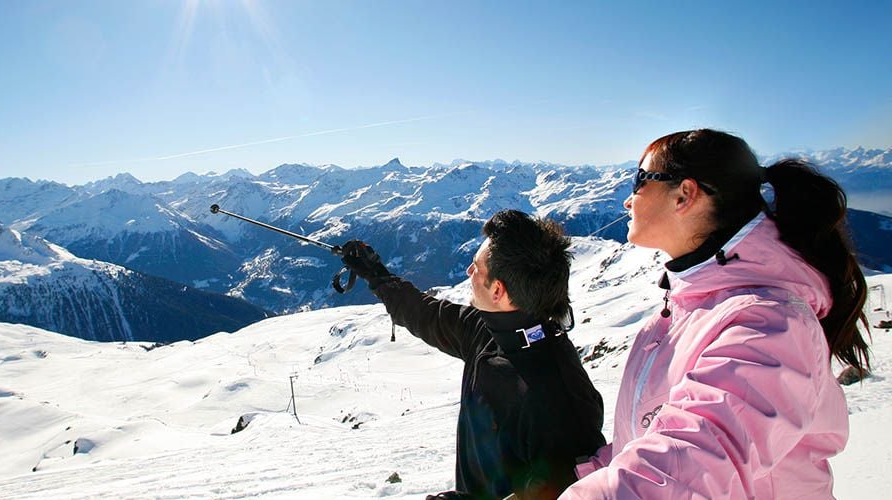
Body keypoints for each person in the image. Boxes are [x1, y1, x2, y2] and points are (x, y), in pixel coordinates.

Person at [563, 129, 871, 498]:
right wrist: (571, 479)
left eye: (639, 181)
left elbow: (689, 464)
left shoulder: (769, 324)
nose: (628, 202)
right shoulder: (681, 314)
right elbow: (653, 439)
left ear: (685, 194)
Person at [340, 209, 605, 500]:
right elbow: (427, 315)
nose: (469, 272)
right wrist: (378, 275)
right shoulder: (491, 329)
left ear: (498, 291)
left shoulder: (558, 399)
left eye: (476, 268)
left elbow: (568, 493)